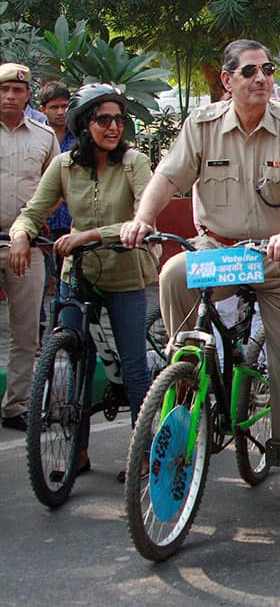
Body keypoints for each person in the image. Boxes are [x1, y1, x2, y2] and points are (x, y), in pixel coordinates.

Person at [119, 39, 280, 509]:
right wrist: (144, 220)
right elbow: (168, 177)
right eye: (250, 71)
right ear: (227, 80)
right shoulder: (202, 124)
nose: (261, 79)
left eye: (267, 70)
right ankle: (187, 371)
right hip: (219, 248)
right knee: (174, 273)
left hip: (276, 255)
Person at [10, 83, 158, 479]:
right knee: (74, 358)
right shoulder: (63, 166)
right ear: (83, 124)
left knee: (133, 365)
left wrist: (89, 236)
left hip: (125, 272)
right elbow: (33, 210)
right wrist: (22, 234)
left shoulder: (134, 162)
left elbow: (144, 218)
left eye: (118, 119)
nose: (113, 127)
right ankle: (77, 450)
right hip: (78, 275)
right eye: (103, 119)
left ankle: (143, 453)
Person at [0, 62, 60, 431]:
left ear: (27, 95)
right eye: (4, 89)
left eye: (17, 90)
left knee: (26, 333)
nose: (10, 96)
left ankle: (15, 405)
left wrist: (33, 222)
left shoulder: (43, 136)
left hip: (27, 244)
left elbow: (56, 188)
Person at [37, 82, 75, 329]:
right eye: (54, 107)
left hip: (71, 220)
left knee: (68, 277)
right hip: (43, 221)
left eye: (64, 106)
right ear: (43, 109)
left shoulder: (80, 138)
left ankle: (66, 329)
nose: (60, 112)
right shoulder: (38, 136)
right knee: (38, 278)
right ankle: (39, 329)